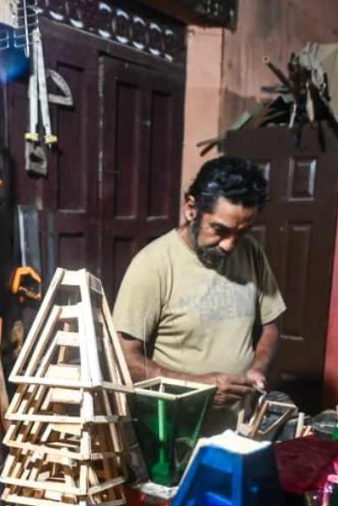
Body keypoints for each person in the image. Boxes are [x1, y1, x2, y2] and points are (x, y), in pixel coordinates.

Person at [112, 156, 286, 433]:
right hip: (173, 433)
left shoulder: (251, 252)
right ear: (192, 209)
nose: (230, 245)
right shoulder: (153, 265)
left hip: (237, 427)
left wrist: (258, 368)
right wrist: (195, 387)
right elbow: (124, 357)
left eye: (242, 232)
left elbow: (271, 325)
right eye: (220, 230)